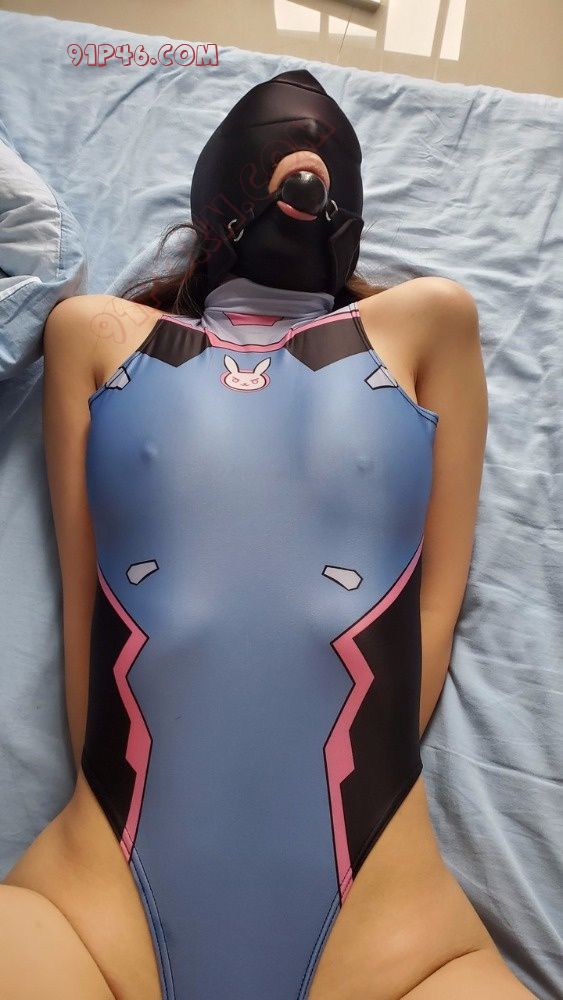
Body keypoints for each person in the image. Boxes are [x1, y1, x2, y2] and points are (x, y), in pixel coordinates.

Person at [1, 71, 536, 999]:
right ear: (216, 196)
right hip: (94, 910)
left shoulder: (429, 320)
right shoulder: (95, 334)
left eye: (323, 162)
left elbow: (432, 602)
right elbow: (90, 608)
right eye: (281, 154)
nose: (305, 168)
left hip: (390, 935)